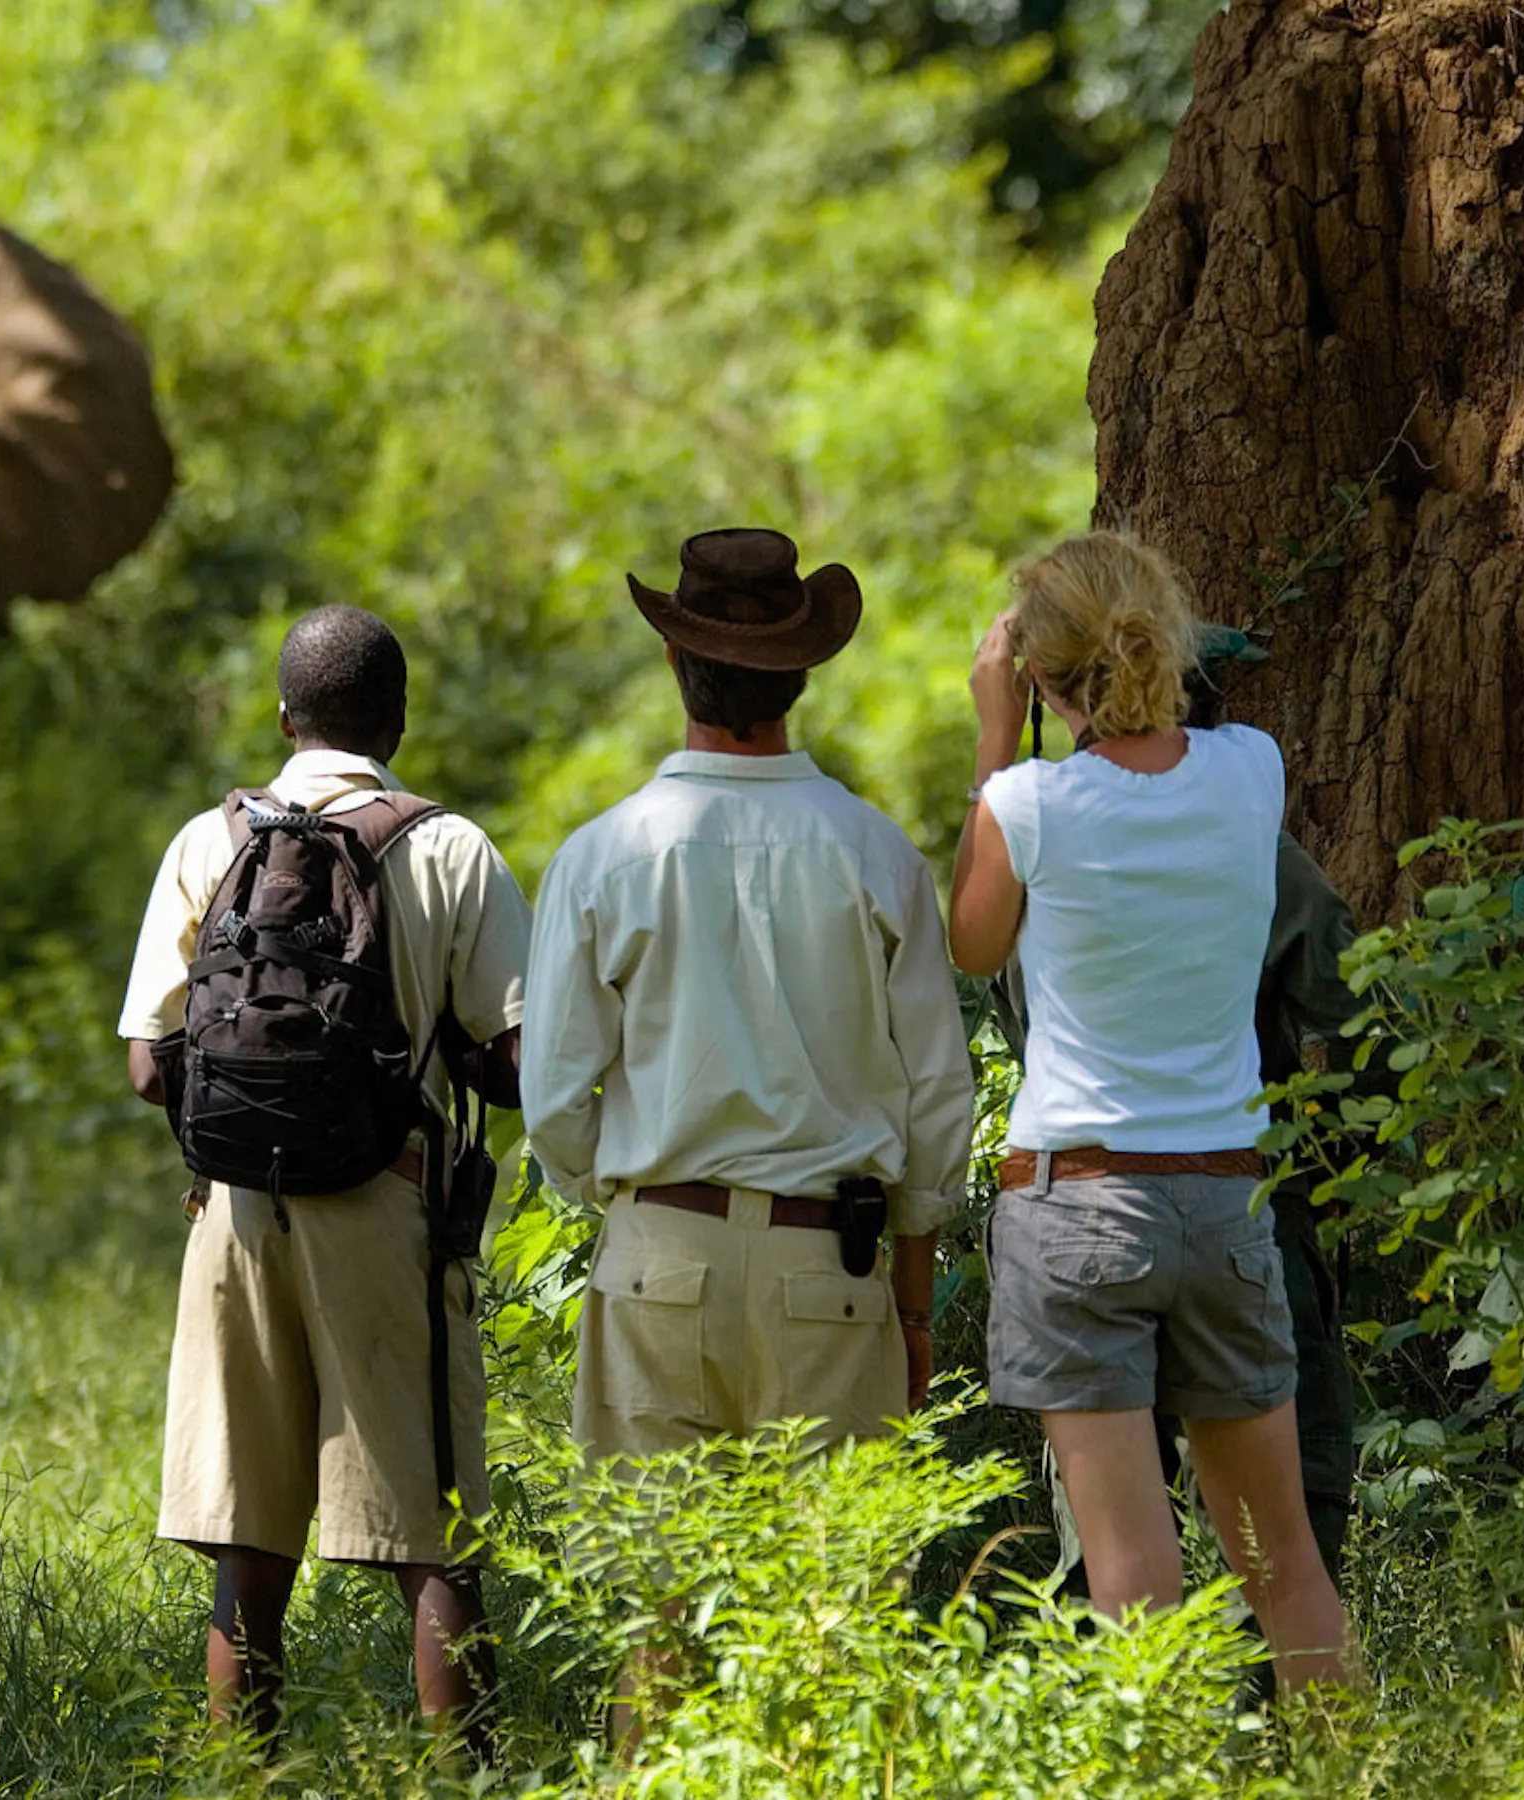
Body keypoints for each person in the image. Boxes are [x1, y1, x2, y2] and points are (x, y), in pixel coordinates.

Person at [120, 603, 532, 1759]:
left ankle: (237, 1776)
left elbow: (152, 1066)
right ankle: (471, 1780)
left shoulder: (210, 841)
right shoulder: (447, 845)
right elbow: (514, 1063)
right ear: (396, 719)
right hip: (387, 1206)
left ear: (284, 717)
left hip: (236, 1216)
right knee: (433, 1529)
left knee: (248, 1544)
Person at [950, 530, 1353, 1693]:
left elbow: (976, 949)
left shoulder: (1025, 803)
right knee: (1283, 1567)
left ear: (1038, 672)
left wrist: (991, 737)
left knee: (1133, 1574)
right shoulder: (1252, 769)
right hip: (1227, 1199)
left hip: (1078, 1204)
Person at [522, 527, 974, 1531]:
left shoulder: (602, 857)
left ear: (676, 660)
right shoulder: (875, 852)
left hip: (656, 1257)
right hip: (832, 1269)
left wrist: (631, 1199)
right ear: (800, 675)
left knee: (659, 1619)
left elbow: (553, 1100)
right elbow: (940, 1092)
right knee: (835, 1626)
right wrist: (909, 1295)